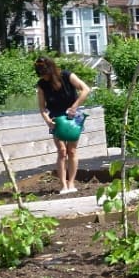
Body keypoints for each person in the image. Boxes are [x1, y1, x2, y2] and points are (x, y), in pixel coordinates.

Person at [35, 56, 91, 194]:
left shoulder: (66, 76)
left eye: (46, 74)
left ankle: (71, 183)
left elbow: (85, 89)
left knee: (71, 151)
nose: (44, 77)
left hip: (73, 116)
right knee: (62, 151)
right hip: (56, 118)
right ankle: (63, 185)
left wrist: (75, 106)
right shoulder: (42, 84)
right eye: (41, 75)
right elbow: (42, 107)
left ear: (51, 70)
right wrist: (48, 121)